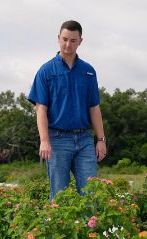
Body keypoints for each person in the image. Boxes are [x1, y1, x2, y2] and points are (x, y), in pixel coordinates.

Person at [28, 20, 107, 200]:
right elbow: (41, 109)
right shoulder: (46, 71)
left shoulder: (88, 71)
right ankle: (57, 228)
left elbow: (94, 107)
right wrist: (44, 140)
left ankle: (89, 228)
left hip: (85, 140)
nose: (67, 44)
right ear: (58, 39)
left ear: (80, 41)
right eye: (64, 39)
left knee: (90, 193)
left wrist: (101, 139)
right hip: (57, 140)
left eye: (73, 40)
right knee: (59, 196)